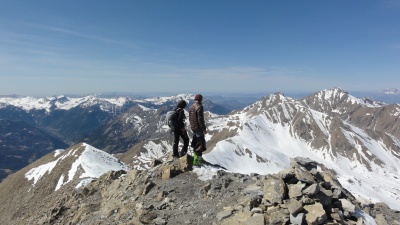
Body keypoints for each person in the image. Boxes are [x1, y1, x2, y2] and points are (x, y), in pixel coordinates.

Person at [188, 94, 207, 166]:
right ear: (201, 99)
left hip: (193, 127)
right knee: (200, 144)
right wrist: (204, 129)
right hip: (198, 128)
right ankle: (198, 161)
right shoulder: (200, 107)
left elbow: (190, 118)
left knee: (195, 143)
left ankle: (195, 157)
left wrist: (192, 126)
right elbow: (200, 119)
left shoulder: (191, 107)